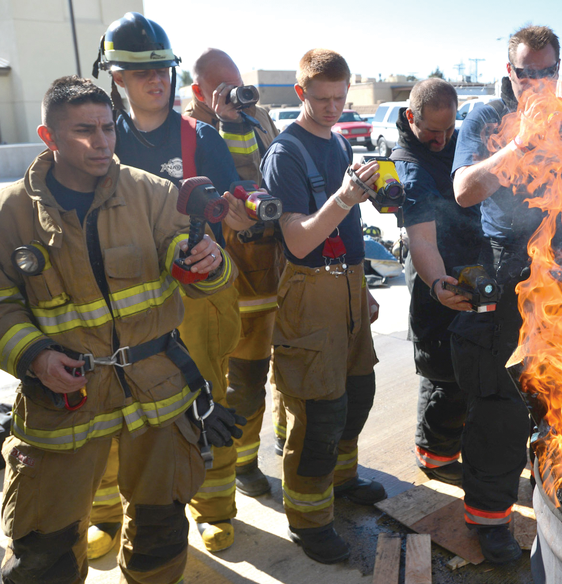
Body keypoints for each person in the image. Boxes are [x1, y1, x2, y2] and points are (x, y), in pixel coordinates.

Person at [0, 75, 235, 583]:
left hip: (157, 391)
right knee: (42, 550)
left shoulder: (153, 194)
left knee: (161, 528)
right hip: (64, 399)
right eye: (85, 130)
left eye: (108, 127)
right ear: (49, 137)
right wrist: (36, 356)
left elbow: (205, 277)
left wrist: (206, 261)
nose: (102, 141)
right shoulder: (5, 215)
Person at [88, 12, 249, 554]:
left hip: (199, 294)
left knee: (208, 397)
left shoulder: (201, 138)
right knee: (109, 403)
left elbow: (236, 210)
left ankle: (216, 507)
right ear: (116, 77)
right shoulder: (102, 138)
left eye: (161, 68)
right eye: (140, 72)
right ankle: (107, 513)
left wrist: (239, 218)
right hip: (123, 299)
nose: (155, 79)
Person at [260, 48, 382, 565]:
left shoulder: (334, 142)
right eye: (322, 98)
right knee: (319, 411)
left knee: (357, 391)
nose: (333, 108)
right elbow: (301, 243)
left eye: (340, 97)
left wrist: (363, 287)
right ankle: (309, 520)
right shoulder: (286, 155)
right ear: (300, 93)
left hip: (348, 286)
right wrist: (346, 197)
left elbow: (345, 233)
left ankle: (343, 478)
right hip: (309, 291)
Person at [449, 24, 561, 564]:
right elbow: (464, 190)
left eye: (548, 72)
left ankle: (560, 503)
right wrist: (520, 145)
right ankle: (490, 520)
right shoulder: (485, 118)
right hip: (508, 265)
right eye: (528, 73)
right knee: (500, 402)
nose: (538, 83)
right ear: (510, 73)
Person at [184, 48, 284, 498]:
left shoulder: (259, 115)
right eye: (221, 89)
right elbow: (235, 185)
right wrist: (230, 123)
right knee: (242, 378)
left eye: (237, 84)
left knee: (288, 364)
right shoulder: (192, 130)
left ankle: (286, 437)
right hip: (229, 273)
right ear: (198, 92)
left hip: (276, 264)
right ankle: (242, 462)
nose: (235, 95)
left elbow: (275, 172)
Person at [390, 79, 482, 486]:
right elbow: (422, 239)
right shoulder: (408, 164)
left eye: (449, 130)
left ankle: (452, 442)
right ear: (412, 118)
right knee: (441, 370)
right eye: (432, 131)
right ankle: (434, 456)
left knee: (464, 366)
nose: (442, 140)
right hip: (434, 273)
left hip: (468, 263)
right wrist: (439, 283)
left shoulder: (456, 139)